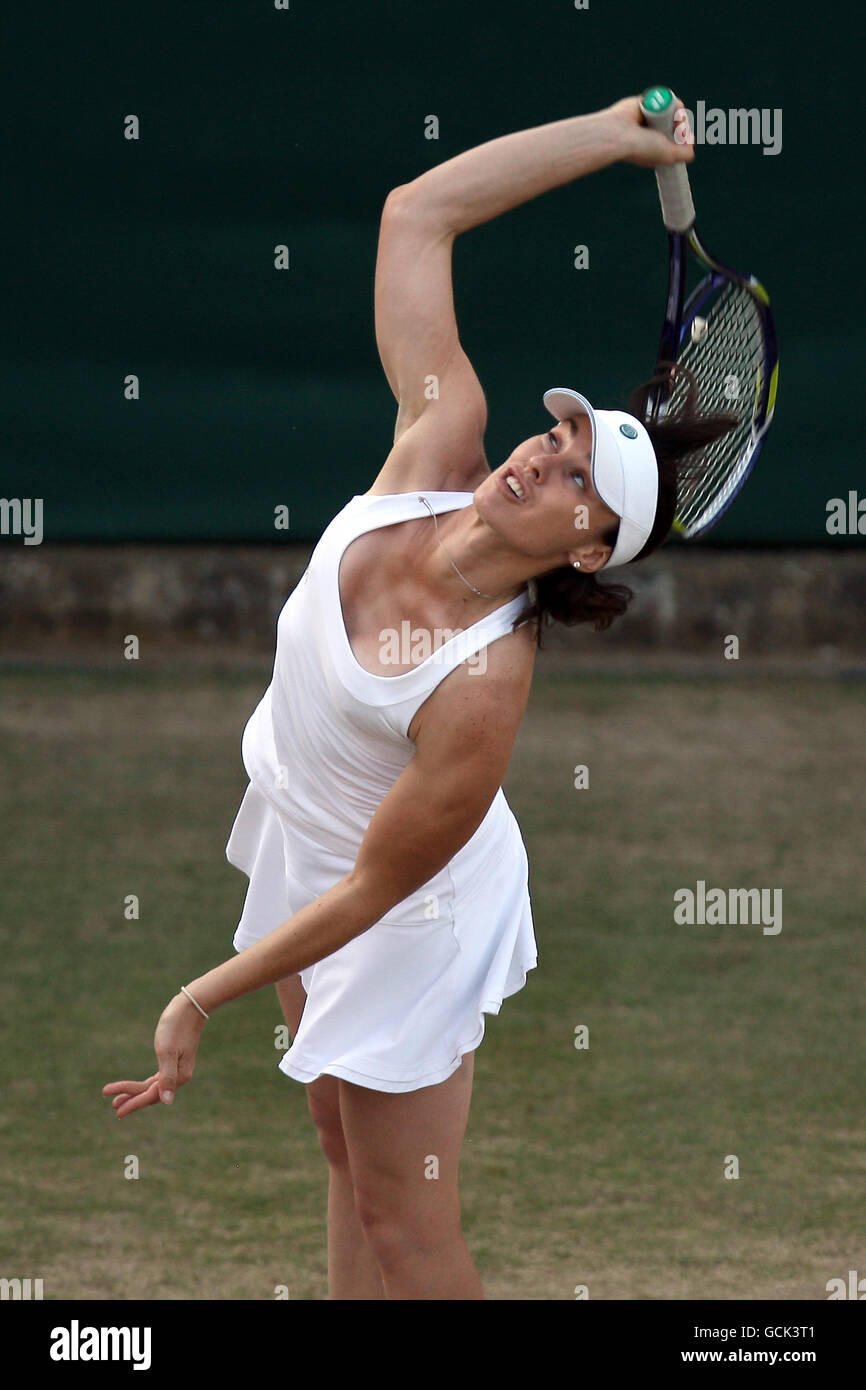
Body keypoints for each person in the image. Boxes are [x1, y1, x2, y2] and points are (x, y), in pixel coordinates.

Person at [103, 94, 735, 1300]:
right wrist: (610, 135)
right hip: (308, 844)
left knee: (409, 1227)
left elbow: (375, 892)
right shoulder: (436, 445)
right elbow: (417, 216)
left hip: (404, 919)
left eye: (572, 479)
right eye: (555, 438)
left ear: (587, 551)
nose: (539, 458)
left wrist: (197, 995)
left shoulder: (481, 692)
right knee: (338, 1145)